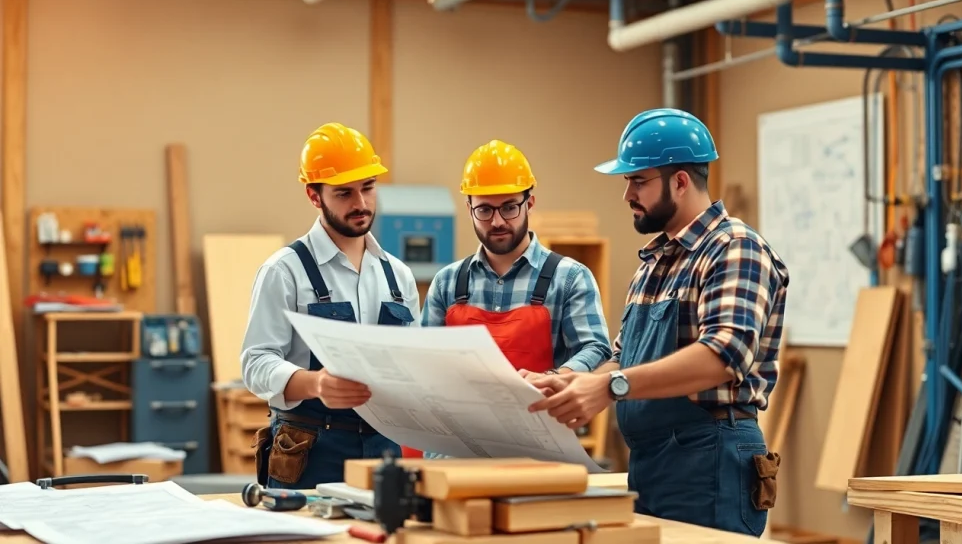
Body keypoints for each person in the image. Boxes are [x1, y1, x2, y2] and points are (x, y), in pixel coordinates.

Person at [525, 109, 789, 537]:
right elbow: (622, 356)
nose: (627, 194)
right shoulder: (653, 264)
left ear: (680, 181)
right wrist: (574, 382)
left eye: (638, 181)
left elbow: (724, 356)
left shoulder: (734, 248)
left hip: (711, 461)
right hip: (652, 463)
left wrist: (611, 387)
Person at [242, 122, 421, 489]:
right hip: (308, 450)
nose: (360, 203)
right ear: (314, 195)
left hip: (384, 448)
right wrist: (315, 383)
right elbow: (255, 362)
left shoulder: (398, 277)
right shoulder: (285, 271)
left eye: (368, 188)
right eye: (343, 193)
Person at [416, 139, 614, 458]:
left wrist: (553, 379)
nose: (497, 221)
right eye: (484, 209)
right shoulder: (448, 283)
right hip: (456, 458)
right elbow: (425, 368)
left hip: (540, 455)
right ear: (469, 208)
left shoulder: (570, 277)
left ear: (529, 202)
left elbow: (597, 348)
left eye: (509, 206)